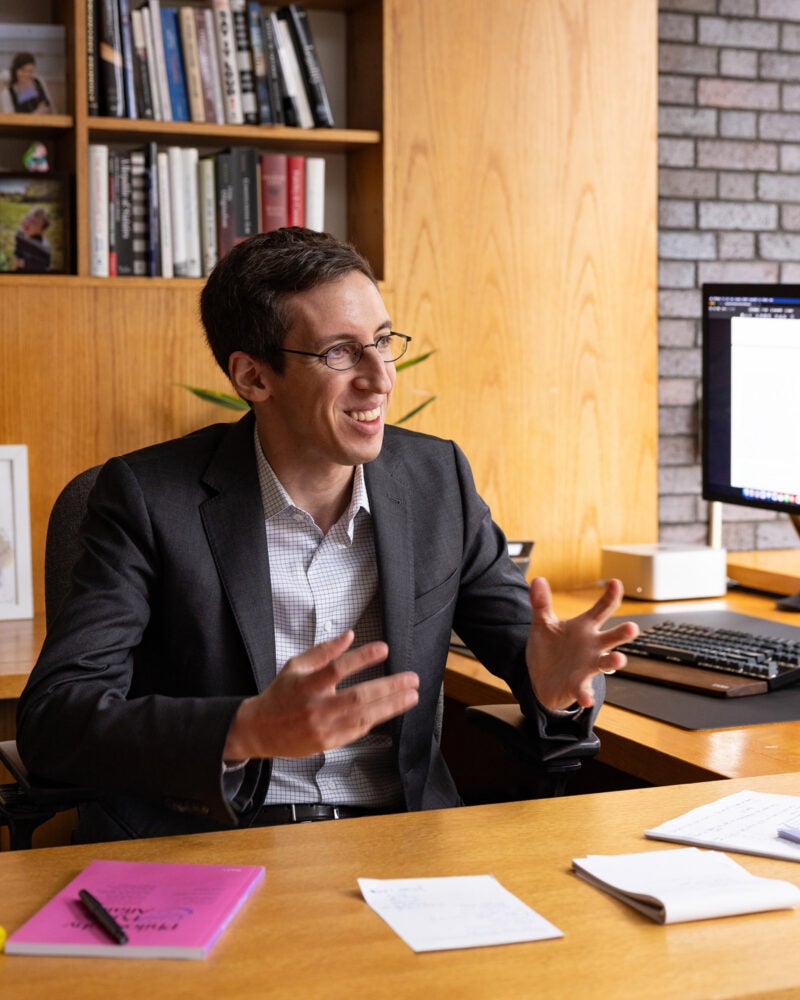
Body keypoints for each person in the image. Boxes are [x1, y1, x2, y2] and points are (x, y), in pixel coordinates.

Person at [16, 227, 638, 842]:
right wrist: (248, 727)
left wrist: (558, 689)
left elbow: (537, 655)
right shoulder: (151, 498)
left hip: (399, 844)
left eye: (382, 341)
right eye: (340, 352)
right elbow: (54, 721)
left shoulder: (436, 481)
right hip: (210, 843)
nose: (380, 377)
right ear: (254, 378)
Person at [14, 206, 51, 272]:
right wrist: (17, 255)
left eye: (34, 222)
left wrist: (24, 263)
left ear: (41, 231)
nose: (28, 222)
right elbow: (18, 248)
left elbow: (40, 266)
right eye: (27, 218)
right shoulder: (20, 235)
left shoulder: (41, 248)